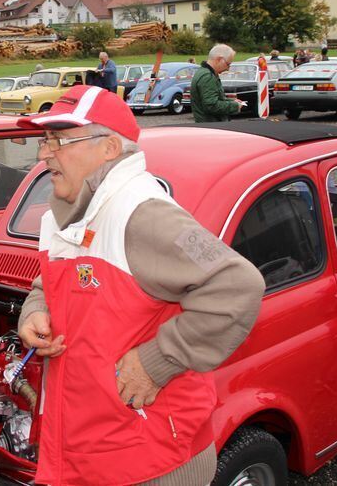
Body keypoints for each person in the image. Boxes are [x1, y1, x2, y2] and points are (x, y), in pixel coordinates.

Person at [15, 85, 264, 485]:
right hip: (89, 451)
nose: (44, 154)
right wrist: (36, 309)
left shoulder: (143, 213)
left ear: (110, 147)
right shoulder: (68, 211)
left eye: (58, 141)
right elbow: (50, 280)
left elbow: (237, 285)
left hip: (149, 458)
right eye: (44, 141)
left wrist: (157, 362)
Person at [190, 44, 245, 122]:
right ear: (219, 59)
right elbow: (211, 106)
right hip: (212, 127)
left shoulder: (204, 72)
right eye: (228, 64)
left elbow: (214, 99)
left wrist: (231, 101)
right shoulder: (207, 76)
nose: (228, 68)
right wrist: (235, 106)